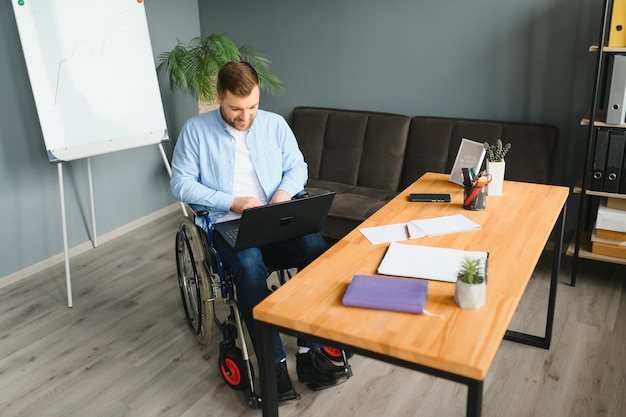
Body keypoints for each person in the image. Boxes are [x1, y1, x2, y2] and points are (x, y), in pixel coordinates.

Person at [170, 61, 350, 403]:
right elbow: (180, 184)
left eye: (252, 106)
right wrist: (232, 201)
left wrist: (283, 193)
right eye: (236, 108)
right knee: (250, 266)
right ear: (219, 97)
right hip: (228, 222)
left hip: (278, 216)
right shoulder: (195, 130)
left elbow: (297, 167)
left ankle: (310, 352)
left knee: (317, 249)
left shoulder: (275, 124)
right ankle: (273, 362)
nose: (246, 116)